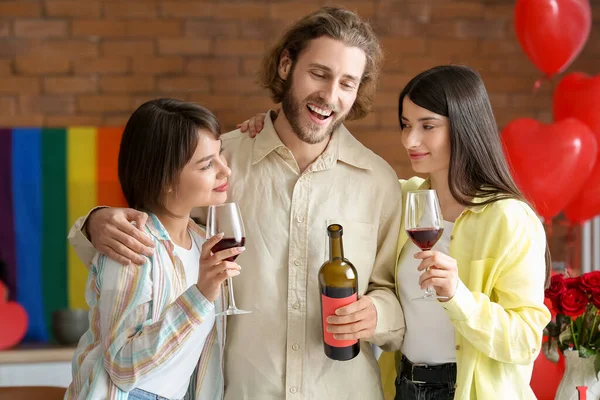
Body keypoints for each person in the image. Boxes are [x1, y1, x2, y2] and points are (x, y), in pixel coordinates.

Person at [68, 7, 405, 400]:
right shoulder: (221, 161)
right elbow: (152, 237)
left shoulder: (379, 181)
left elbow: (396, 293)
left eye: (347, 83)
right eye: (319, 73)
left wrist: (379, 313)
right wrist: (95, 221)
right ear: (286, 65)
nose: (330, 95)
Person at [240, 64, 552, 400]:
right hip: (401, 387)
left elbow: (525, 342)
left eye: (427, 126)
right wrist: (276, 124)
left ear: (464, 127)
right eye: (405, 125)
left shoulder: (509, 219)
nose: (410, 140)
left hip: (467, 391)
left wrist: (457, 295)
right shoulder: (405, 198)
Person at [65, 98, 242, 400]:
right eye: (207, 164)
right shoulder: (133, 245)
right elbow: (122, 366)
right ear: (166, 179)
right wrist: (199, 297)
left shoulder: (202, 241)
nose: (225, 170)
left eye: (220, 155)